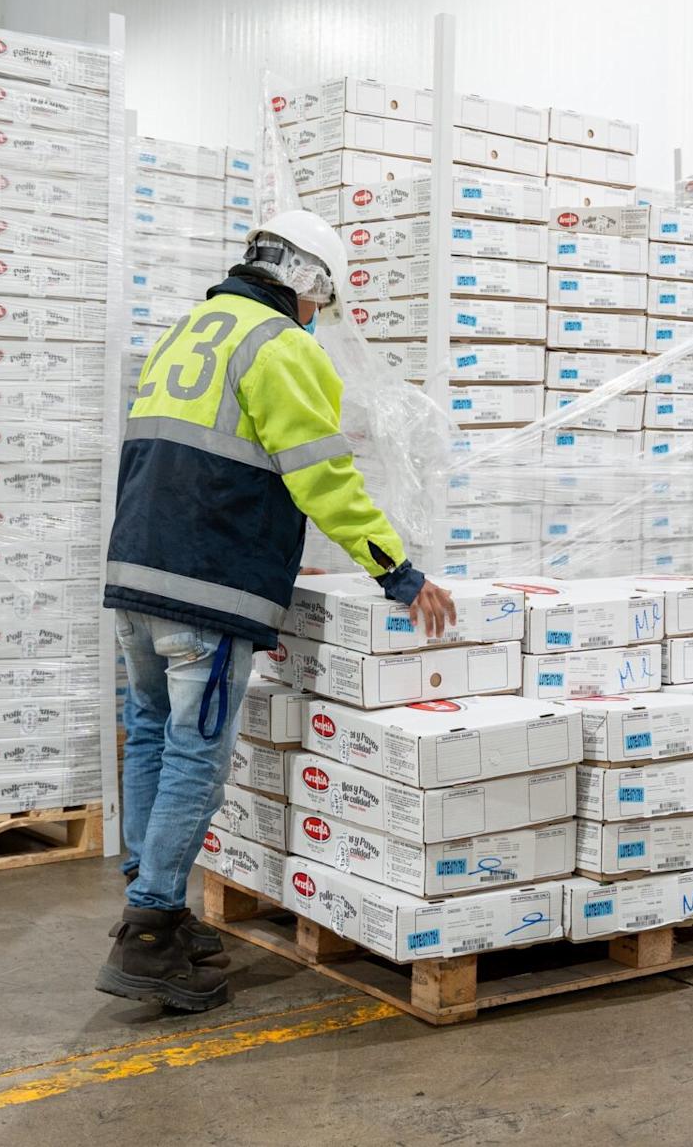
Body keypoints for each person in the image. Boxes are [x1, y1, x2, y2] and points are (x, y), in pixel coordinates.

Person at [98, 207, 457, 1012]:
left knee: (150, 732)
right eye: (320, 299)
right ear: (304, 278)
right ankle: (149, 932)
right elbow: (321, 475)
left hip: (137, 572)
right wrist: (397, 572)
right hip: (207, 587)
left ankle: (152, 902)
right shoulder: (280, 346)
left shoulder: (190, 329)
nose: (318, 315)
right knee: (195, 754)